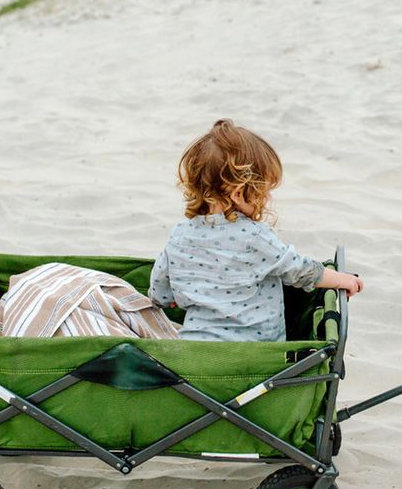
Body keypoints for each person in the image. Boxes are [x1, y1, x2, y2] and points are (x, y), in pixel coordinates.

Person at [149, 119, 362, 342]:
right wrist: (342, 280)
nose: (266, 199)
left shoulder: (179, 234)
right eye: (263, 192)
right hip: (256, 351)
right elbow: (298, 270)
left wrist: (167, 299)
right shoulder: (254, 236)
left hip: (195, 349)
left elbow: (158, 289)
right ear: (238, 194)